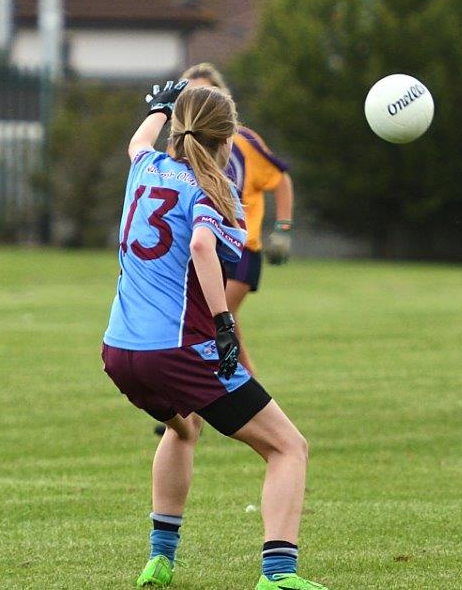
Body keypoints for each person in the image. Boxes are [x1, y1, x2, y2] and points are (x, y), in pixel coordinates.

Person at [102, 80, 324, 589]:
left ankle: (160, 559)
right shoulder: (214, 190)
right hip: (177, 350)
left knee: (184, 427)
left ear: (176, 131)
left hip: (119, 349)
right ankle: (279, 574)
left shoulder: (146, 167)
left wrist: (160, 107)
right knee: (288, 448)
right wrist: (225, 324)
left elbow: (137, 142)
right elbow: (203, 246)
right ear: (227, 142)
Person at [182, 63, 295, 376]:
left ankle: (188, 415)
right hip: (204, 254)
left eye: (206, 93)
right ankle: (251, 395)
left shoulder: (242, 140)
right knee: (224, 329)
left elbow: (280, 178)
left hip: (241, 250)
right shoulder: (180, 147)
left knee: (208, 323)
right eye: (190, 96)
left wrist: (283, 227)